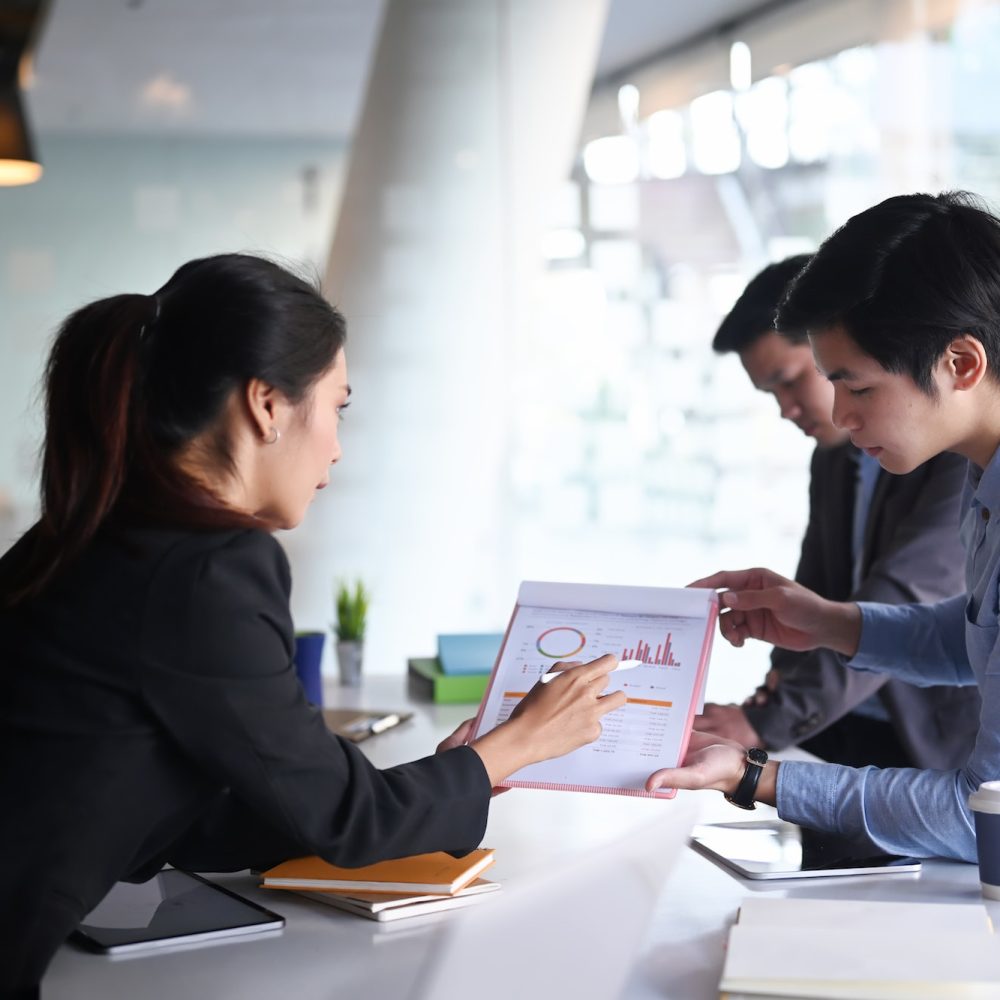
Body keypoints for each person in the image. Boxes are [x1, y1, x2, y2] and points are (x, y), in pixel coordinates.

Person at [0, 253, 627, 997]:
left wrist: (466, 774)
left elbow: (209, 816)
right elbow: (343, 819)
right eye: (339, 407)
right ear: (266, 404)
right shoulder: (209, 569)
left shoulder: (100, 535)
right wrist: (516, 746)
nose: (336, 445)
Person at [645, 190, 1000, 864]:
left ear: (961, 364)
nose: (840, 414)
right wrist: (831, 622)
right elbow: (976, 637)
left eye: (858, 388)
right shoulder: (983, 477)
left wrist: (754, 774)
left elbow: (982, 811)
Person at [701, 256, 979, 769]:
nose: (788, 408)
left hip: (930, 746)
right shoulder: (833, 456)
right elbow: (815, 591)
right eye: (770, 393)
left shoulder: (958, 454)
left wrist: (763, 725)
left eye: (791, 380)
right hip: (836, 726)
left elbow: (903, 596)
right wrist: (767, 704)